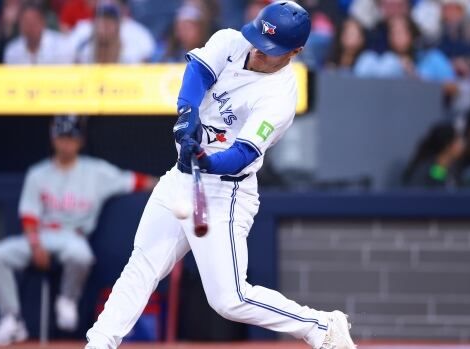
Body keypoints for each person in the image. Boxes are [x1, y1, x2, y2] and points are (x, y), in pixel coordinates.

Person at [85, 2, 355, 349]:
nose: (258, 49)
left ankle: (320, 325)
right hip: (181, 179)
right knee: (143, 263)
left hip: (225, 192)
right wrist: (186, 115)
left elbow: (242, 154)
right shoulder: (231, 41)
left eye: (270, 47)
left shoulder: (281, 96)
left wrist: (207, 161)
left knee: (230, 299)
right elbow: (198, 73)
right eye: (258, 38)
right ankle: (100, 343)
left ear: (296, 51)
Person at [0, 115, 157, 346]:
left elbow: (134, 180)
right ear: (53, 138)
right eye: (62, 137)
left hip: (72, 237)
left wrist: (166, 184)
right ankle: (11, 318)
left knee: (82, 255)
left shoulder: (96, 172)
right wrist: (35, 245)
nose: (66, 143)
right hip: (41, 236)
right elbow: (29, 215)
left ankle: (67, 299)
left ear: (80, 141)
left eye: (71, 138)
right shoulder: (38, 174)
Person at [354, 16, 454, 81]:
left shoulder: (432, 58)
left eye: (401, 32)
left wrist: (415, 75)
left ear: (412, 35)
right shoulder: (383, 62)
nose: (397, 37)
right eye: (393, 33)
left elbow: (453, 88)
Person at [69, 0, 155, 64]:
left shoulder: (133, 46)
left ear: (118, 25)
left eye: (109, 22)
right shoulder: (83, 45)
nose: (104, 26)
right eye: (101, 21)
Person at [4, 2, 72, 65]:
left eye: (33, 22)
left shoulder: (61, 46)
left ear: (43, 23)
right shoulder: (12, 51)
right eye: (26, 22)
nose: (30, 27)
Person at [402, 122, 465, 188]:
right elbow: (437, 191)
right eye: (458, 141)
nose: (462, 145)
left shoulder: (452, 168)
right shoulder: (431, 169)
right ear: (447, 145)